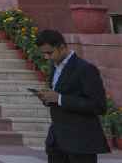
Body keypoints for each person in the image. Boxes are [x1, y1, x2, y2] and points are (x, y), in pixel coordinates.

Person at [34, 29, 110, 163]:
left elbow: (99, 105)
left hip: (80, 142)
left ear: (62, 47)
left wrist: (59, 98)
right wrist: (47, 98)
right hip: (57, 141)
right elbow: (58, 97)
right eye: (44, 54)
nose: (46, 57)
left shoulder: (85, 69)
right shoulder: (54, 67)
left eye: (49, 53)